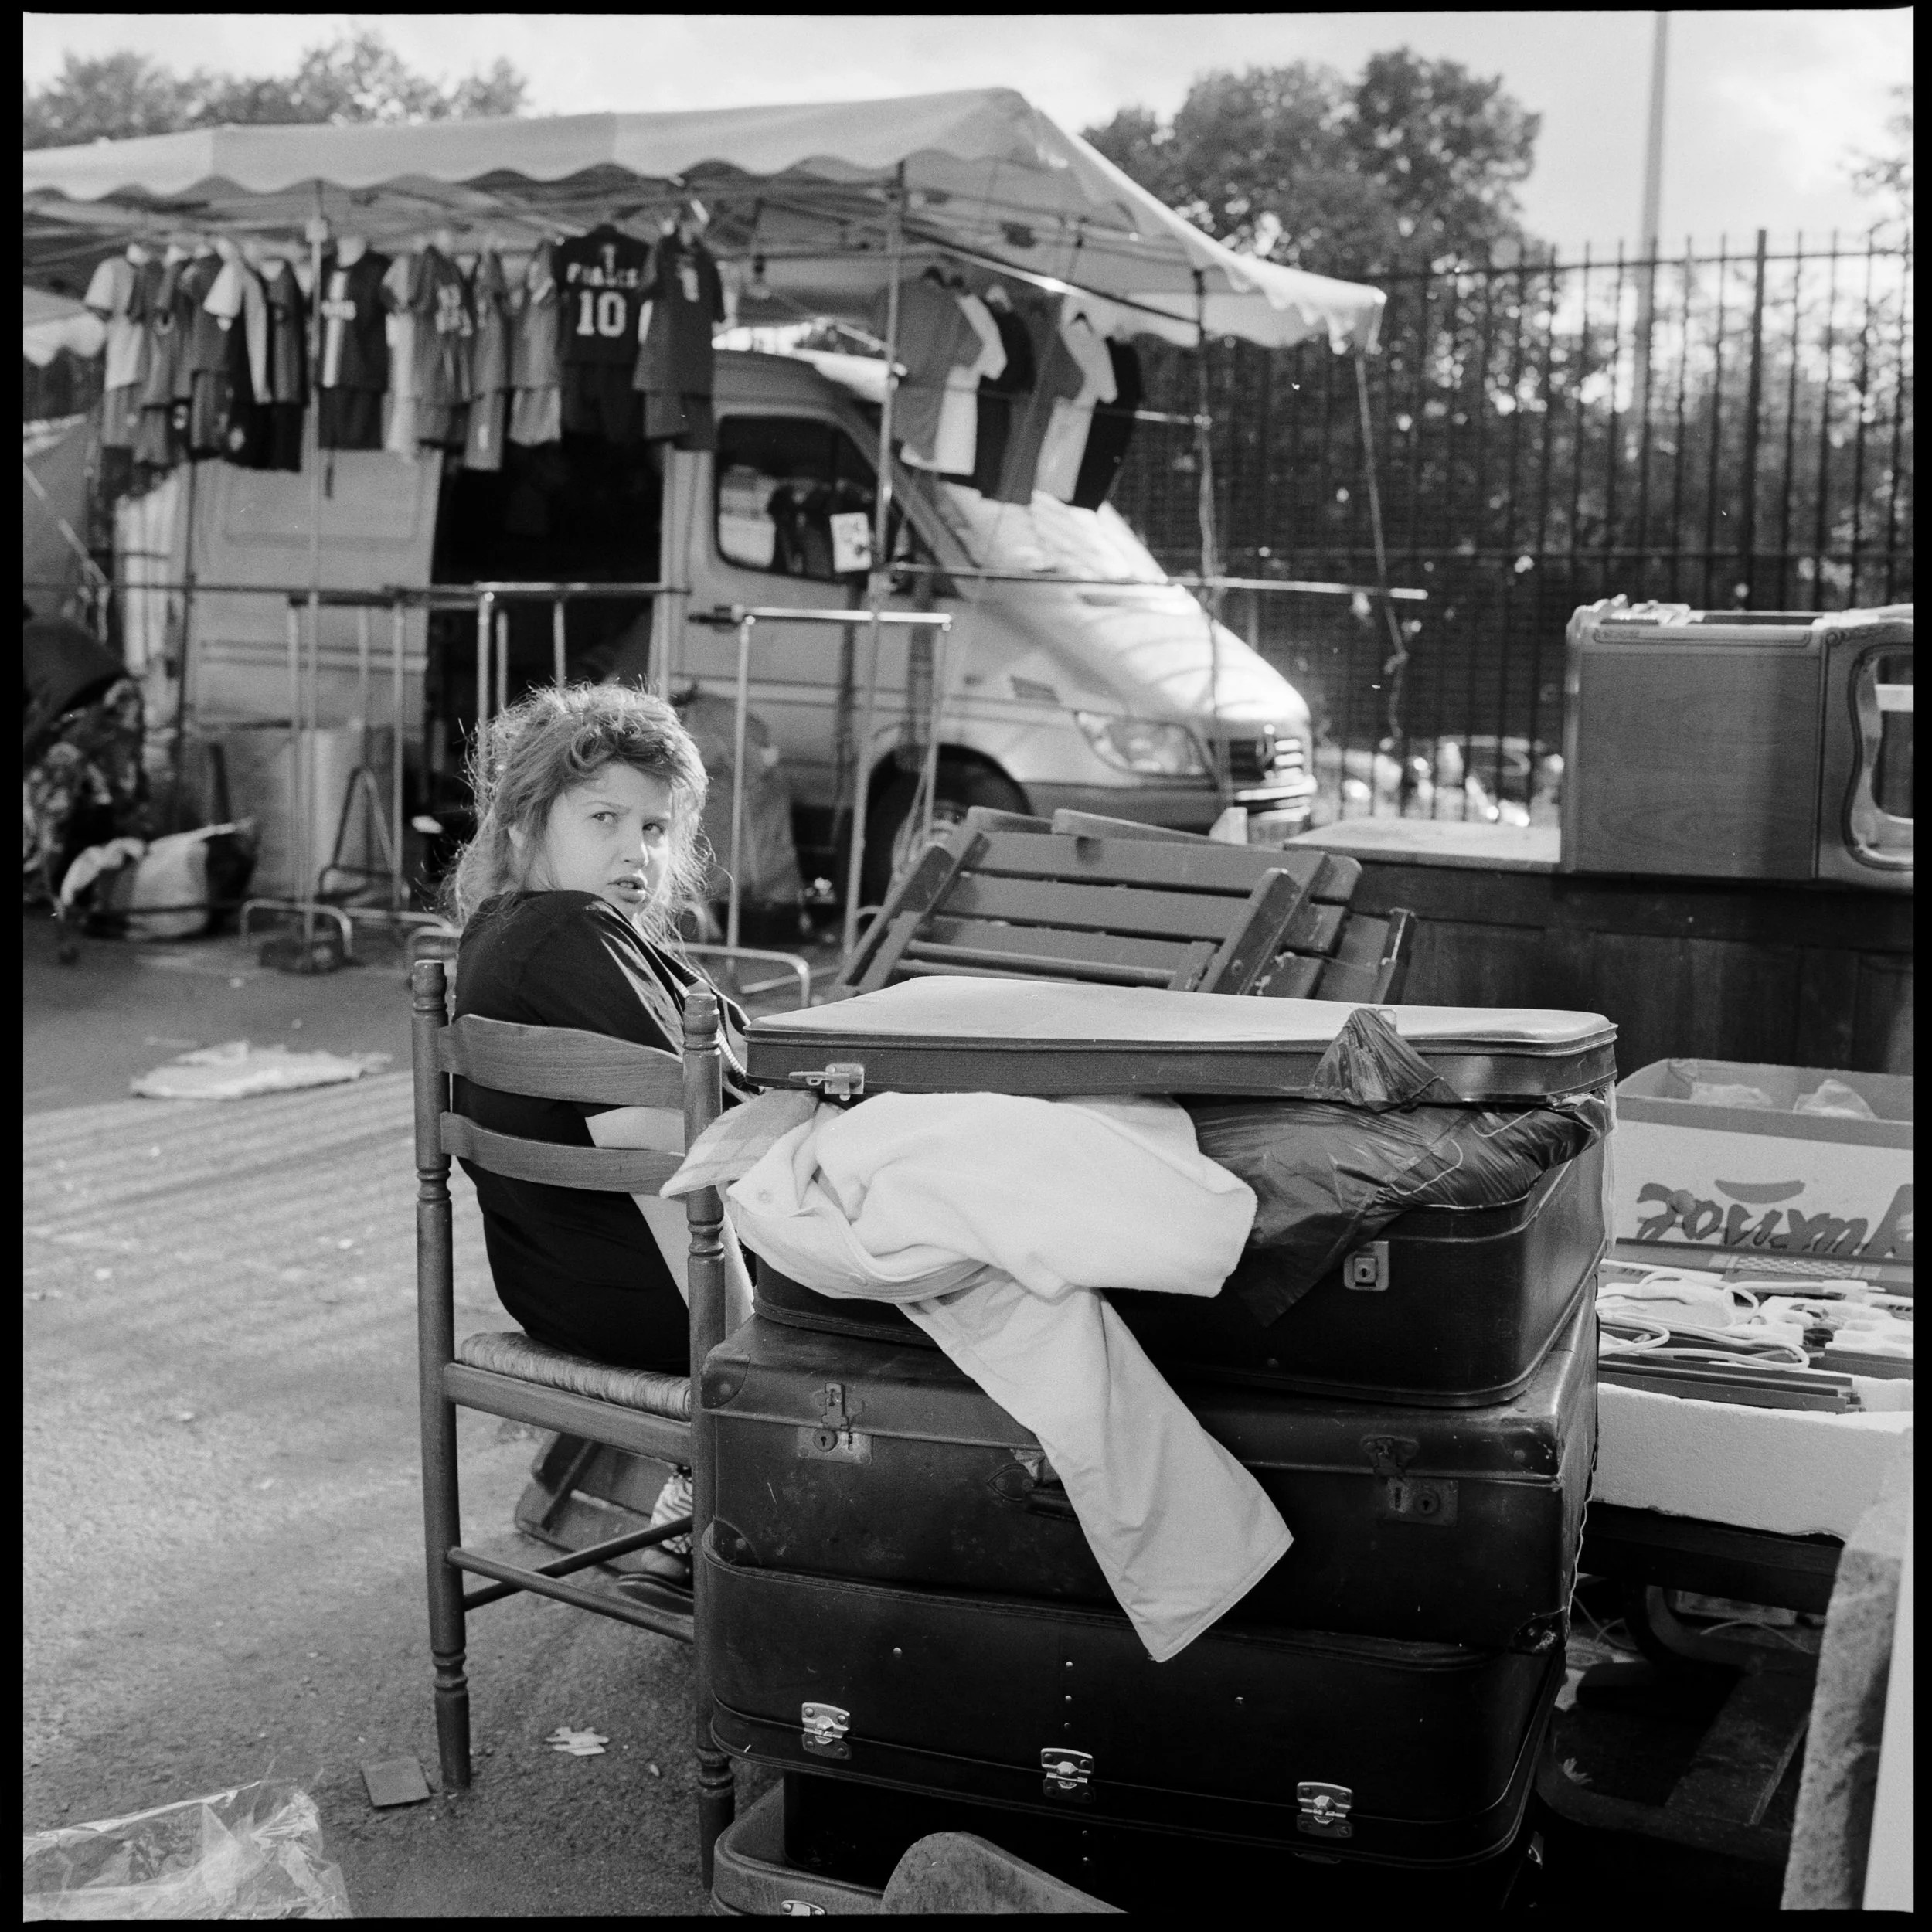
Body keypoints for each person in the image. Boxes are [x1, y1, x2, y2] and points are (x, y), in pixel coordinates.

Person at [442, 682, 749, 1607]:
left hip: (568, 1294)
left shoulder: (513, 934)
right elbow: (672, 1172)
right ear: (526, 823)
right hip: (672, 1295)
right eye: (605, 817)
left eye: (655, 828)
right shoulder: (571, 934)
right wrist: (739, 1360)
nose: (635, 851)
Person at [22, 604, 149, 906]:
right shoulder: (56, 623)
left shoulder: (26, 641)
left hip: (88, 712)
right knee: (124, 790)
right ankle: (135, 873)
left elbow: (42, 713)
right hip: (126, 696)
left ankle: (35, 884)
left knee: (47, 794)